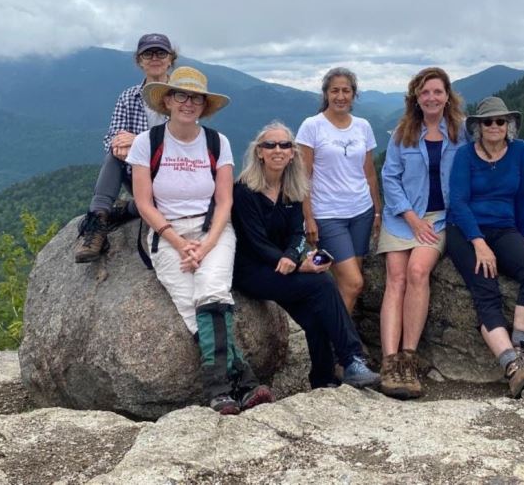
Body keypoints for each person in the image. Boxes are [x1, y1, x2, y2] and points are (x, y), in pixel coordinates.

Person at [127, 67, 270, 415]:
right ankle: (244, 382)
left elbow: (225, 202)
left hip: (213, 231)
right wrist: (178, 243)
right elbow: (144, 203)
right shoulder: (148, 142)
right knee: (192, 308)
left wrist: (205, 247)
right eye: (181, 95)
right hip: (166, 233)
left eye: (196, 98)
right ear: (167, 101)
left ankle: (218, 390)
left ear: (204, 106)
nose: (188, 103)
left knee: (212, 294)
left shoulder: (216, 143)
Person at [230, 122, 379, 392]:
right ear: (259, 152)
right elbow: (256, 243)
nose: (278, 150)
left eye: (285, 145)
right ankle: (351, 359)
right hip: (251, 271)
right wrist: (299, 265)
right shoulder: (244, 191)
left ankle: (324, 380)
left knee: (316, 315)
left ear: (292, 154)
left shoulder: (292, 190)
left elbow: (298, 234)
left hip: (283, 267)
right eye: (270, 145)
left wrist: (296, 258)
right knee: (321, 285)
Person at [442, 96, 524, 397]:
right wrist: (478, 243)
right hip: (464, 230)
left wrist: (522, 238)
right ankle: (512, 368)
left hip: (504, 229)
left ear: (509, 125)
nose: (494, 126)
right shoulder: (465, 155)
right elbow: (459, 202)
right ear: (477, 127)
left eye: (500, 121)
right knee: (485, 286)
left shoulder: (520, 151)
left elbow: (520, 199)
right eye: (487, 121)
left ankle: (520, 350)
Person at [372, 67, 463, 399]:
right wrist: (410, 217)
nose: (432, 98)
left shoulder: (461, 131)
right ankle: (389, 361)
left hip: (439, 217)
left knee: (417, 270)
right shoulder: (403, 132)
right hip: (404, 216)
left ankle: (408, 358)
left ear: (447, 96)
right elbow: (390, 177)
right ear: (416, 98)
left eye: (437, 92)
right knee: (395, 277)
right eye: (425, 92)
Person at [73, 33, 177, 262]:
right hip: (139, 173)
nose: (154, 58)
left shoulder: (183, 96)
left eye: (161, 52)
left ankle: (126, 210)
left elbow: (187, 142)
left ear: (171, 59)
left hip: (174, 174)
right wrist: (120, 145)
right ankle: (98, 220)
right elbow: (113, 137)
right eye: (148, 53)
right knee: (114, 155)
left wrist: (138, 140)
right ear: (139, 61)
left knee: (168, 206)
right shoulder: (129, 97)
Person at [295, 68, 381, 313]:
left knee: (347, 282)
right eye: (335, 90)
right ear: (326, 94)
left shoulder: (363, 126)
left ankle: (340, 340)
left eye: (346, 90)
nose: (341, 96)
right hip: (328, 215)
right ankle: (339, 341)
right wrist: (308, 217)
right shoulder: (312, 126)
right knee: (354, 283)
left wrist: (376, 212)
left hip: (361, 213)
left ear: (354, 94)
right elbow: (303, 176)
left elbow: (370, 172)